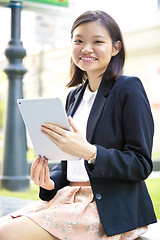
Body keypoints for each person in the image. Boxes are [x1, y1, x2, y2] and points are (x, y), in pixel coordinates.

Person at [0, 10, 157, 240]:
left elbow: (141, 164)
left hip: (106, 208)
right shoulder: (74, 96)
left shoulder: (128, 88)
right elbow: (69, 163)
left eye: (97, 41)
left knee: (8, 233)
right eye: (79, 40)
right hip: (69, 198)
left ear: (116, 48)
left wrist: (89, 151)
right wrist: (49, 181)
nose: (86, 48)